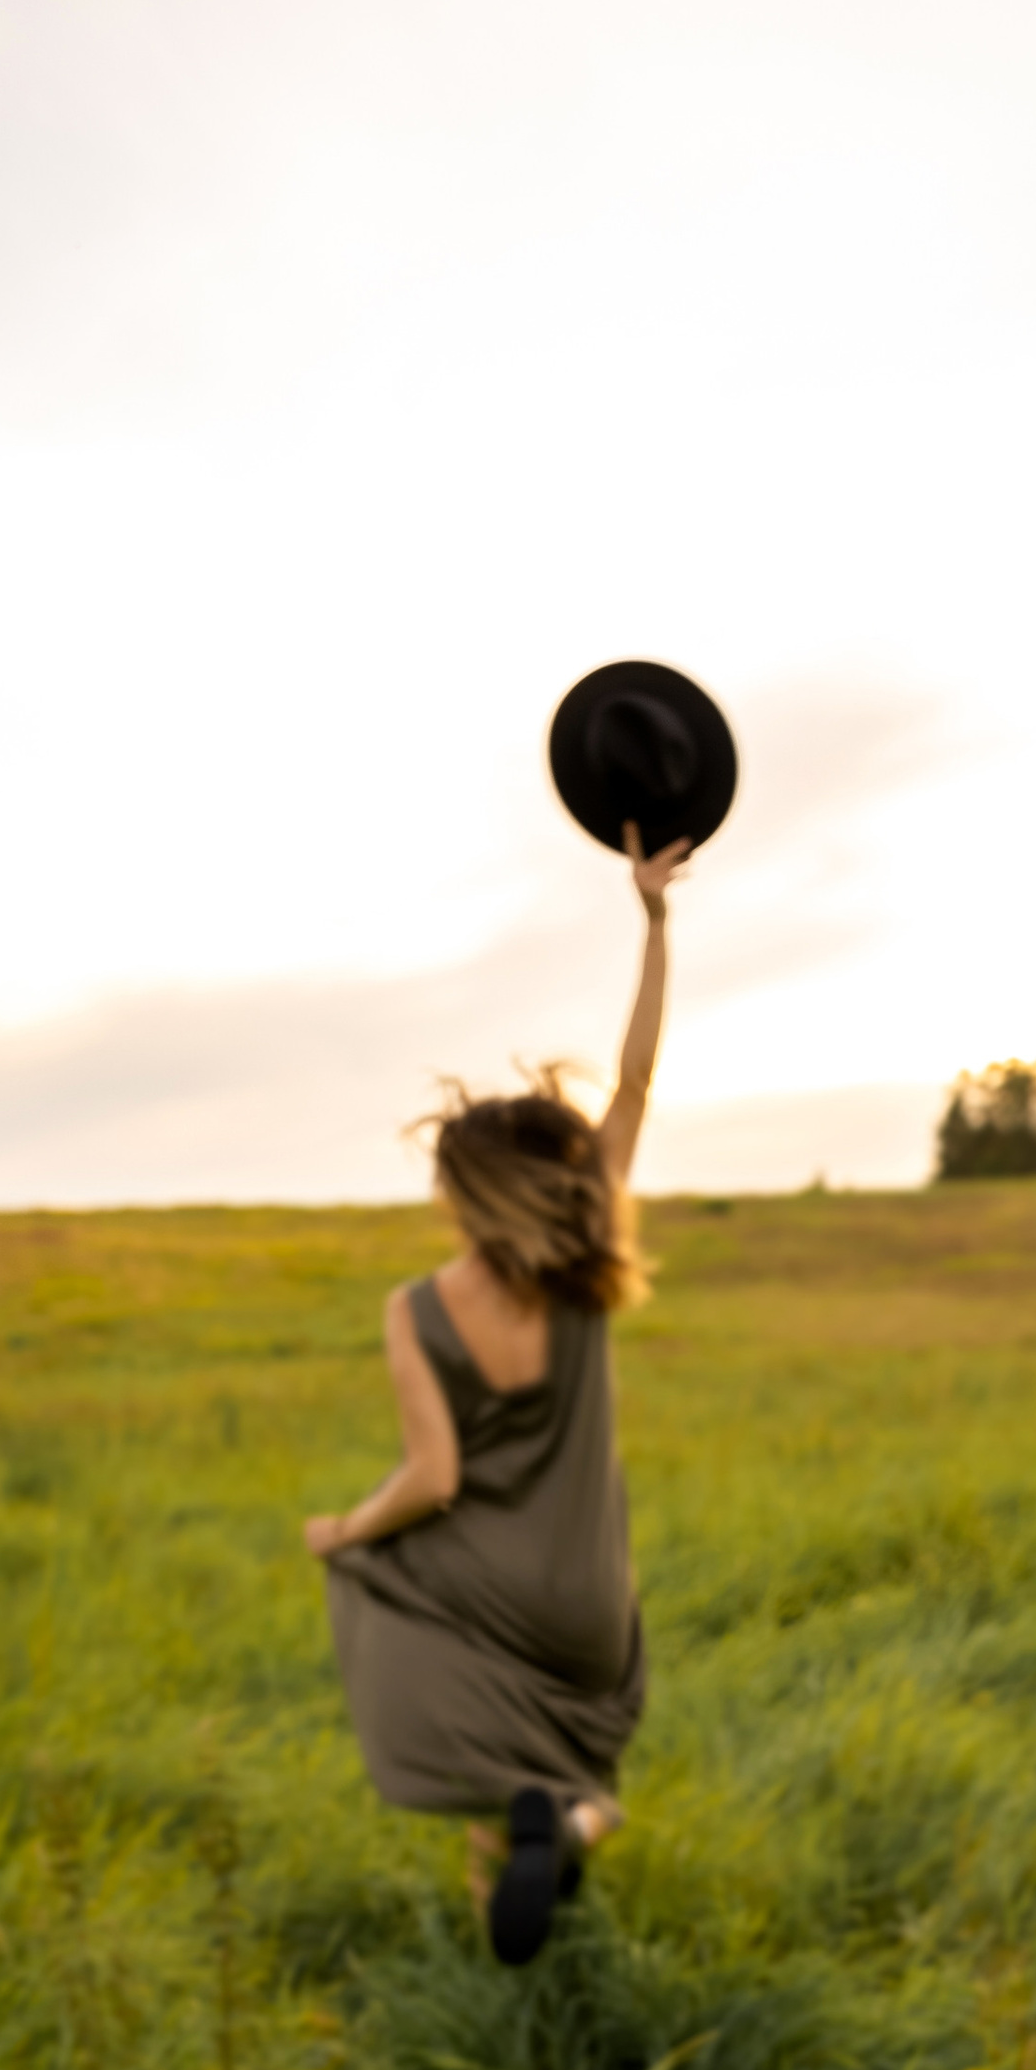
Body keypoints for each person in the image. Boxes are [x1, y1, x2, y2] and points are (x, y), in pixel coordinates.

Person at [304, 824, 691, 1963]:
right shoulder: (581, 1266)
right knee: (575, 1760)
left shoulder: (418, 1307)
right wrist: (653, 920)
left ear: (459, 1193)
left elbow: (433, 1480)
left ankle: (535, 1867)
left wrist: (344, 1532)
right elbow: (634, 1082)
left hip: (480, 1587)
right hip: (584, 1592)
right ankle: (561, 1839)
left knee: (485, 1753)